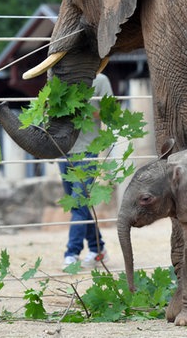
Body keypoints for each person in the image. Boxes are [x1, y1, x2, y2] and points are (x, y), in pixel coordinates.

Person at [60, 72, 113, 270]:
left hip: (88, 150)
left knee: (79, 203)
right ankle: (97, 248)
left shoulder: (100, 80)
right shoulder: (60, 77)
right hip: (63, 150)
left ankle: (71, 253)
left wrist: (83, 110)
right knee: (78, 207)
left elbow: (110, 112)